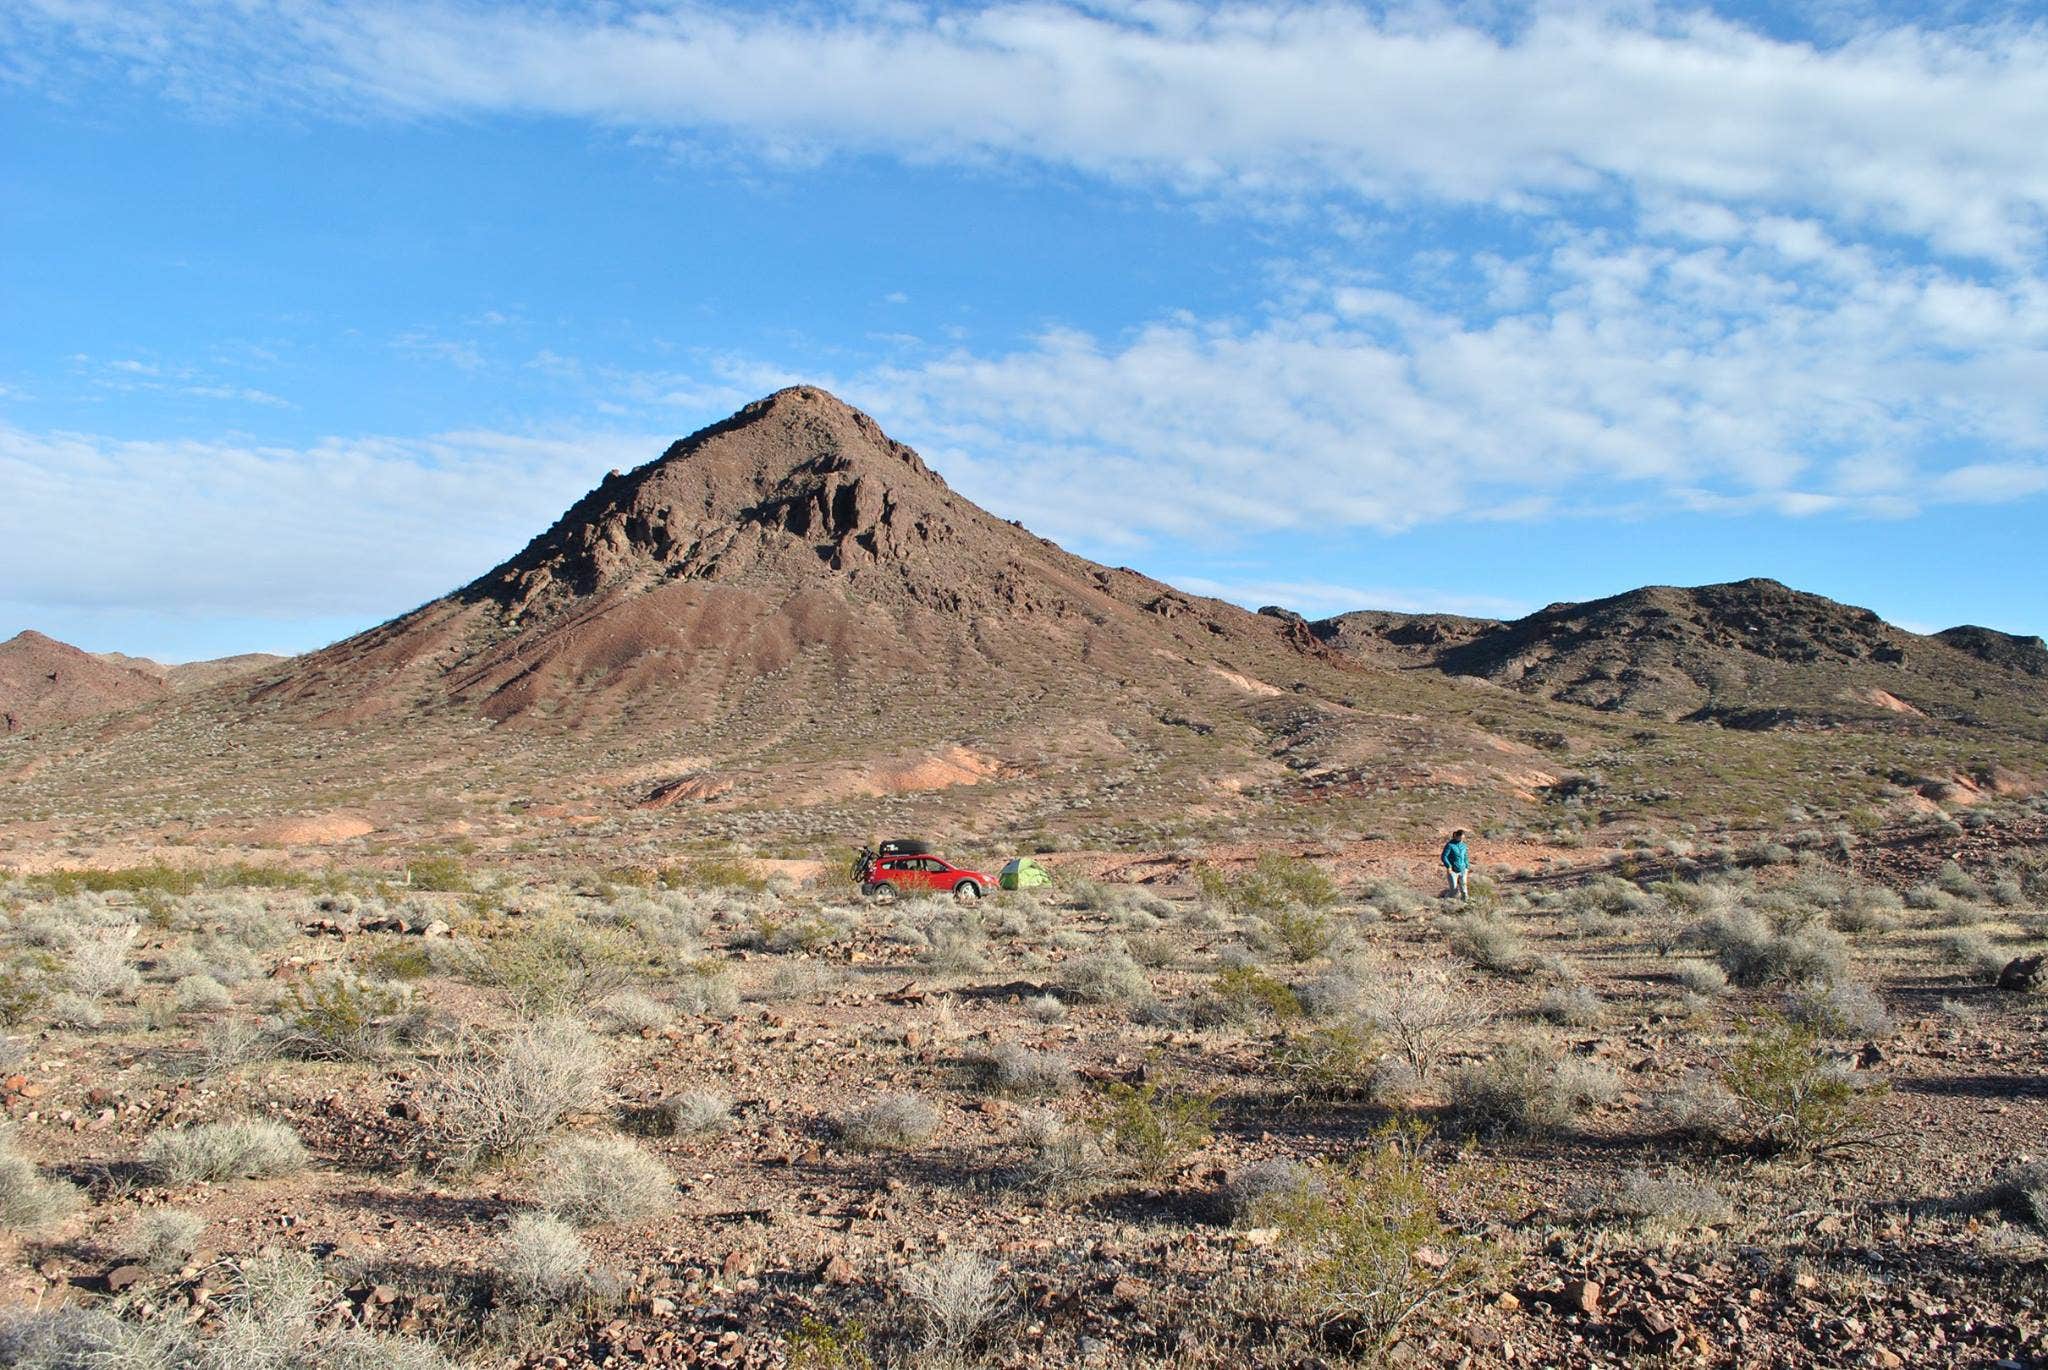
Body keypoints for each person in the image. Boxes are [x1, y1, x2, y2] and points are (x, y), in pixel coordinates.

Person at [1440, 829, 1470, 900]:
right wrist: (1448, 866)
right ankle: (1445, 900)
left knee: (1464, 889)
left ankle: (1466, 902)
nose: (1461, 840)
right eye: (1460, 838)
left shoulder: (1464, 846)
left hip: (1463, 869)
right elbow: (1444, 856)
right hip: (1453, 870)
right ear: (1456, 836)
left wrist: (1467, 866)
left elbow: (1465, 856)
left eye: (1463, 838)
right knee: (1453, 890)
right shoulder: (1450, 845)